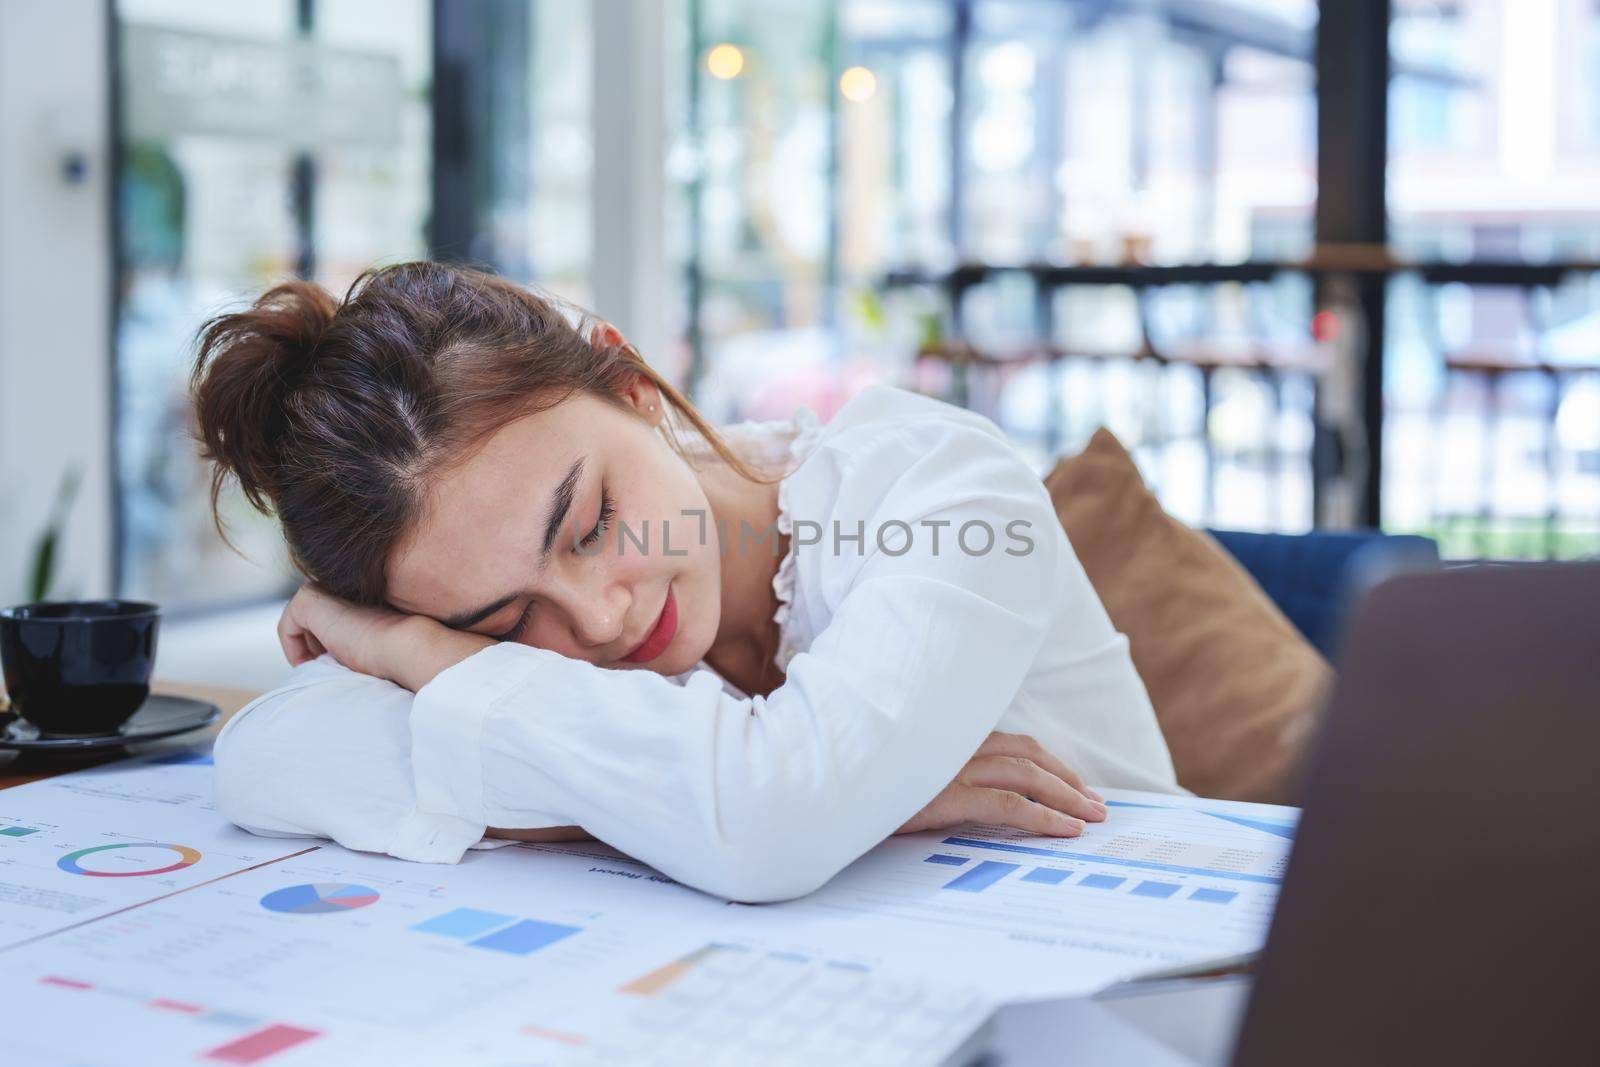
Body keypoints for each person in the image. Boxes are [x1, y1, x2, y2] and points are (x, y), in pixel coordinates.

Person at [196, 262, 1179, 903]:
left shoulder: (936, 484)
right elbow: (266, 761)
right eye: (500, 620)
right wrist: (847, 792)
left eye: (591, 524)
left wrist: (785, 797)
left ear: (632, 389)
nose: (599, 616)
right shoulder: (472, 613)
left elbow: (768, 825)